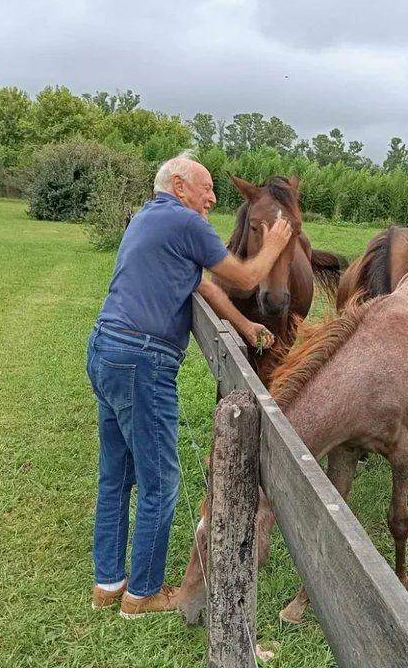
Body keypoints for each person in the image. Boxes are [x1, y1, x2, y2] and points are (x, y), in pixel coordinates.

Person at [86, 150, 292, 618]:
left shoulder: (149, 218)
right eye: (206, 188)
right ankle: (143, 595)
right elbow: (243, 276)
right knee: (162, 482)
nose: (212, 197)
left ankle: (108, 584)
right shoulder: (185, 221)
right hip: (143, 361)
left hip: (106, 349)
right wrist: (276, 243)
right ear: (179, 186)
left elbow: (202, 285)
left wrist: (242, 325)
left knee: (116, 474)